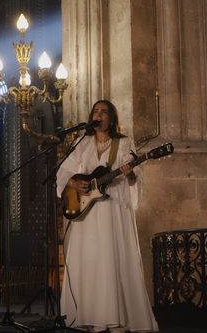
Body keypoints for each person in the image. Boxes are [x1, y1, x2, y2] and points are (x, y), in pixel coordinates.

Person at [56, 99, 158, 332]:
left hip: (111, 210)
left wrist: (131, 174)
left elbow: (134, 177)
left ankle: (116, 317)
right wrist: (74, 182)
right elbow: (63, 172)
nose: (99, 114)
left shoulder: (123, 143)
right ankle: (89, 315)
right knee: (90, 259)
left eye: (104, 111)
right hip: (87, 212)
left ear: (111, 118)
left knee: (110, 259)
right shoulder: (82, 143)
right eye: (96, 111)